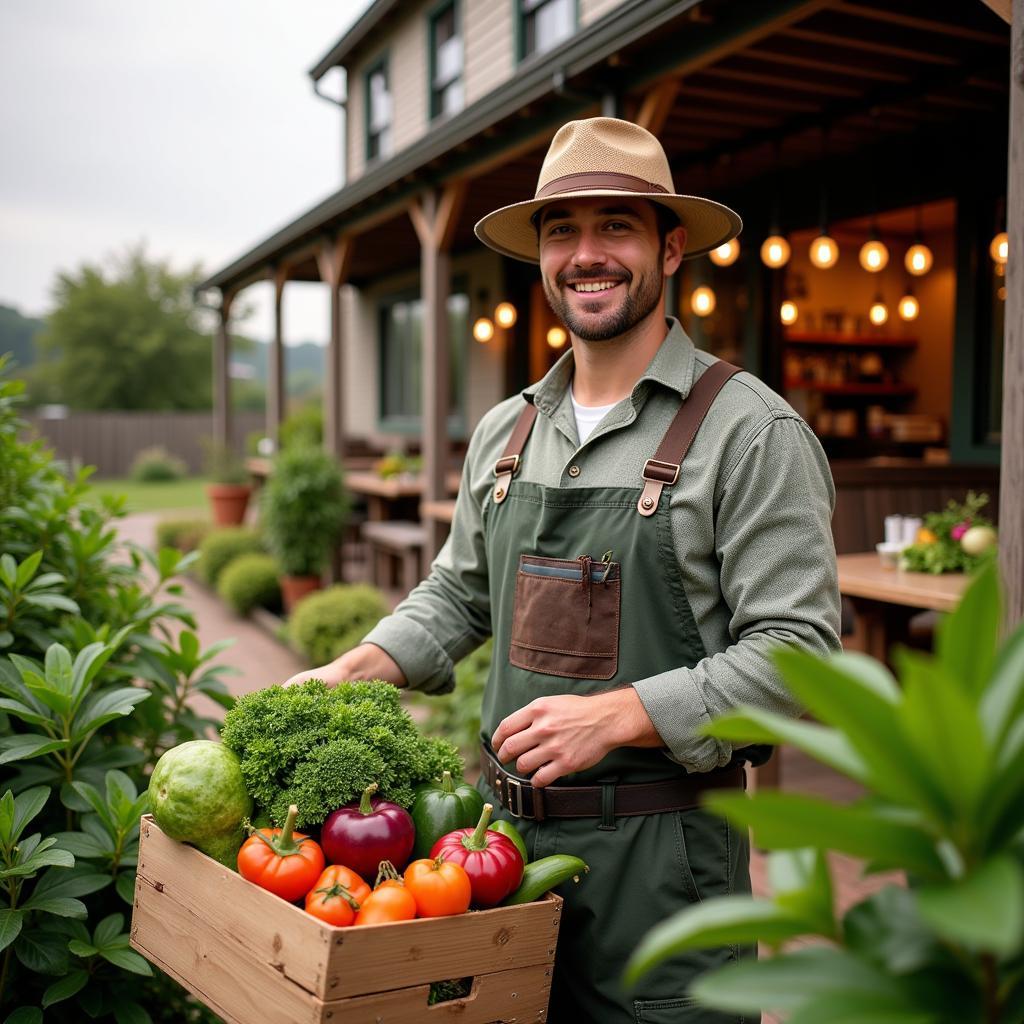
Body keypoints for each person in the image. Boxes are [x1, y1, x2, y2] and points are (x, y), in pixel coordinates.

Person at [285, 117, 841, 1022]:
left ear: (671, 247)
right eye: (561, 231)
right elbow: (460, 591)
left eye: (616, 225)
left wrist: (624, 713)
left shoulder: (751, 433)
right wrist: (355, 669)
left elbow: (802, 655)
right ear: (540, 256)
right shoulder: (507, 431)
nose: (587, 254)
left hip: (666, 871)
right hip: (490, 854)